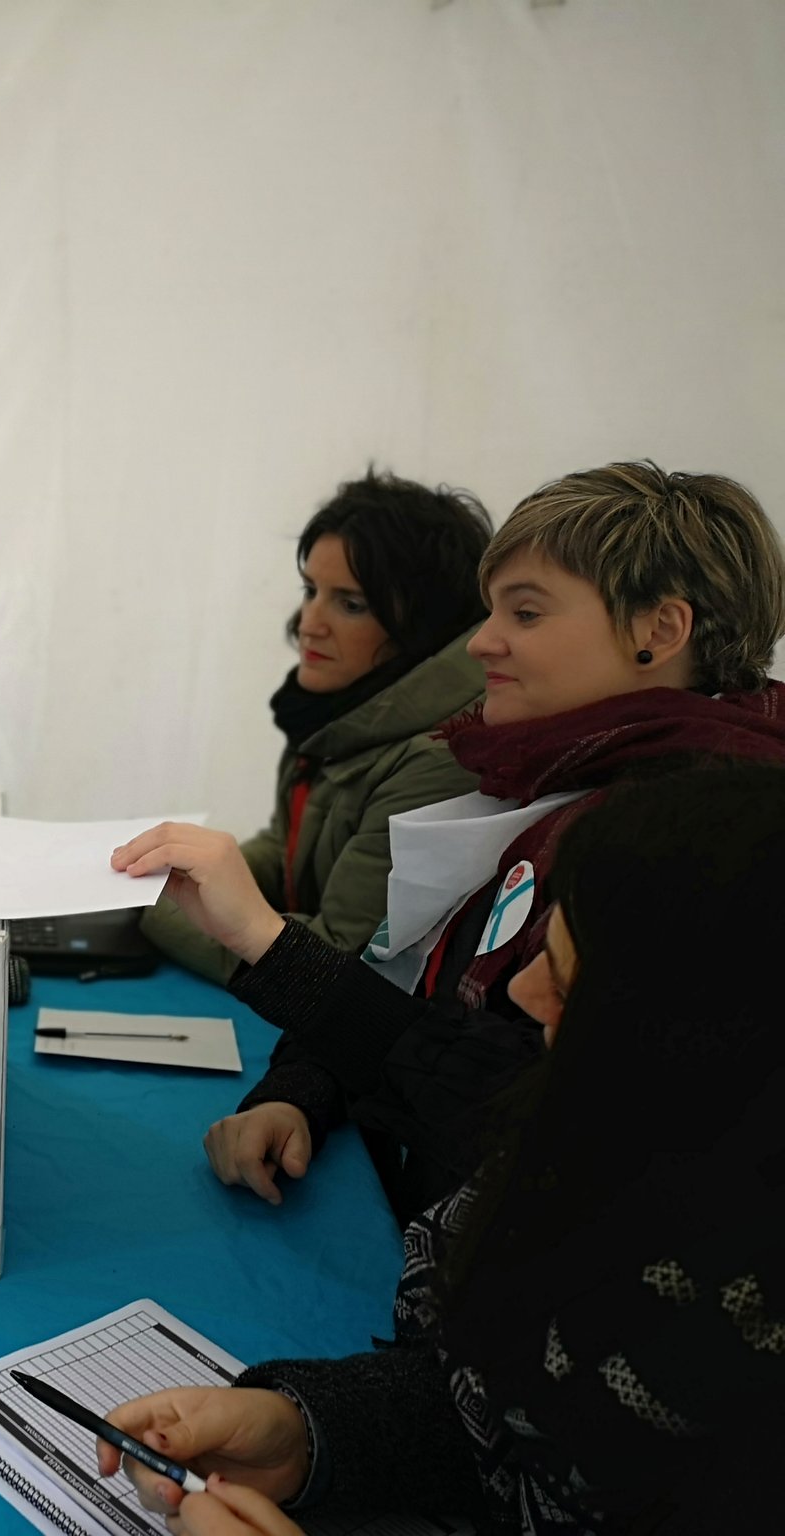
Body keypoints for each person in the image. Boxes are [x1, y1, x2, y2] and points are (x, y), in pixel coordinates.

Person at [94, 765, 784, 1533]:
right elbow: (510, 1425)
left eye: (566, 978)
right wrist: (309, 1437)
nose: (521, 996)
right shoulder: (643, 1173)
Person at [115, 462, 785, 1217]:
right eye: (490, 610)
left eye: (525, 615)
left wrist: (267, 942)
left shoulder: (699, 846)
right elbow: (408, 979)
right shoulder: (545, 778)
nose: (480, 644)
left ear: (658, 631)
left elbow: (528, 1121)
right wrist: (300, 1093)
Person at [143, 470, 491, 983]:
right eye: (310, 590)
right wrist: (187, 869)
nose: (309, 622)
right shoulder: (338, 712)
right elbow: (288, 849)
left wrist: (157, 906)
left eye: (350, 604)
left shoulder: (440, 757)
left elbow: (334, 962)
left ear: (422, 626)